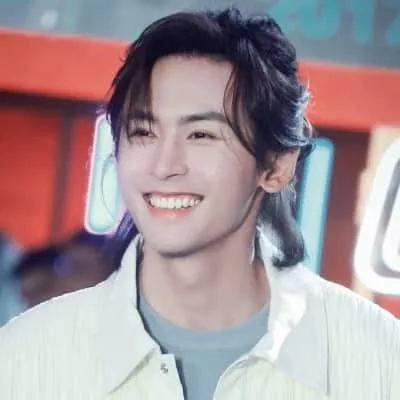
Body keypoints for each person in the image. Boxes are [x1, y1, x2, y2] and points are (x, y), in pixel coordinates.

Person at [0, 7, 399, 399]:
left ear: (276, 165)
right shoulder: (29, 356)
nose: (164, 165)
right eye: (144, 132)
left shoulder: (375, 358)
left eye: (201, 135)